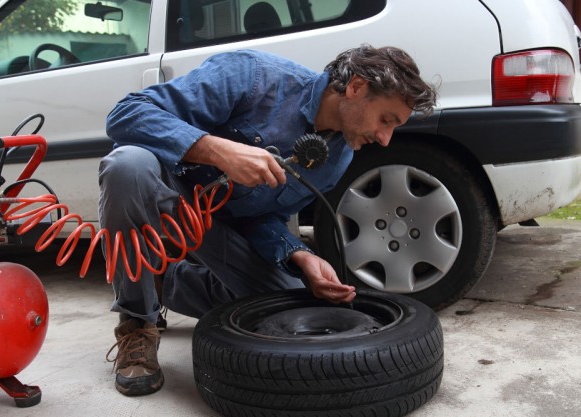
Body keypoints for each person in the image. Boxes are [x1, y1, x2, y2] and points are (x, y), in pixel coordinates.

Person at [99, 44, 437, 396]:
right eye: (386, 121)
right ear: (356, 86)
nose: (385, 140)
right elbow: (125, 114)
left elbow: (262, 218)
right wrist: (218, 150)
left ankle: (164, 283)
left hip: (217, 225)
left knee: (290, 303)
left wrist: (298, 255)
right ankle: (137, 322)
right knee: (127, 165)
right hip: (165, 191)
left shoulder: (338, 158)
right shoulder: (253, 75)